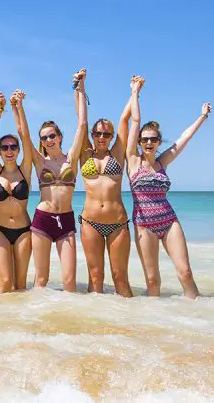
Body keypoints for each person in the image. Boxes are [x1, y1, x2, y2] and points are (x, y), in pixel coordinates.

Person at [127, 87, 212, 299]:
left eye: (153, 140)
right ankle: (155, 325)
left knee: (185, 272)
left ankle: (200, 314)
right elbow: (135, 122)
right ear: (139, 142)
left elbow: (184, 138)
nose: (148, 143)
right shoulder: (133, 161)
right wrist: (135, 94)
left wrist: (202, 117)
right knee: (153, 281)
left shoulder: (163, 161)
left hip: (168, 220)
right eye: (144, 139)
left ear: (158, 142)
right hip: (143, 225)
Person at [22, 70, 88, 292]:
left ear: (59, 136)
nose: (48, 140)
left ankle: (69, 324)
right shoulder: (40, 162)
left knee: (70, 282)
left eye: (52, 135)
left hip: (66, 220)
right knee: (41, 280)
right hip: (42, 220)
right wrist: (18, 107)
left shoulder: (72, 158)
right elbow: (23, 135)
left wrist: (80, 89)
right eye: (44, 137)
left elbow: (82, 125)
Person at [76, 73, 136, 297]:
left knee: (120, 277)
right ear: (92, 135)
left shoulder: (117, 154)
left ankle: (132, 324)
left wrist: (134, 92)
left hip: (117, 224)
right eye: (97, 133)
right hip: (90, 223)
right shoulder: (84, 153)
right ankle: (97, 327)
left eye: (106, 134)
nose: (101, 137)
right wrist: (80, 89)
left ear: (111, 137)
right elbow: (81, 120)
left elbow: (124, 119)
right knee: (95, 277)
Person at [0, 90, 33, 294]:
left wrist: (19, 107)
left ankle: (20, 325)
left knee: (21, 285)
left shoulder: (25, 170)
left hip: (24, 231)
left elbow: (25, 136)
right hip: (0, 230)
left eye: (13, 147)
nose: (9, 150)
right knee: (6, 282)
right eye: (4, 147)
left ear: (18, 150)